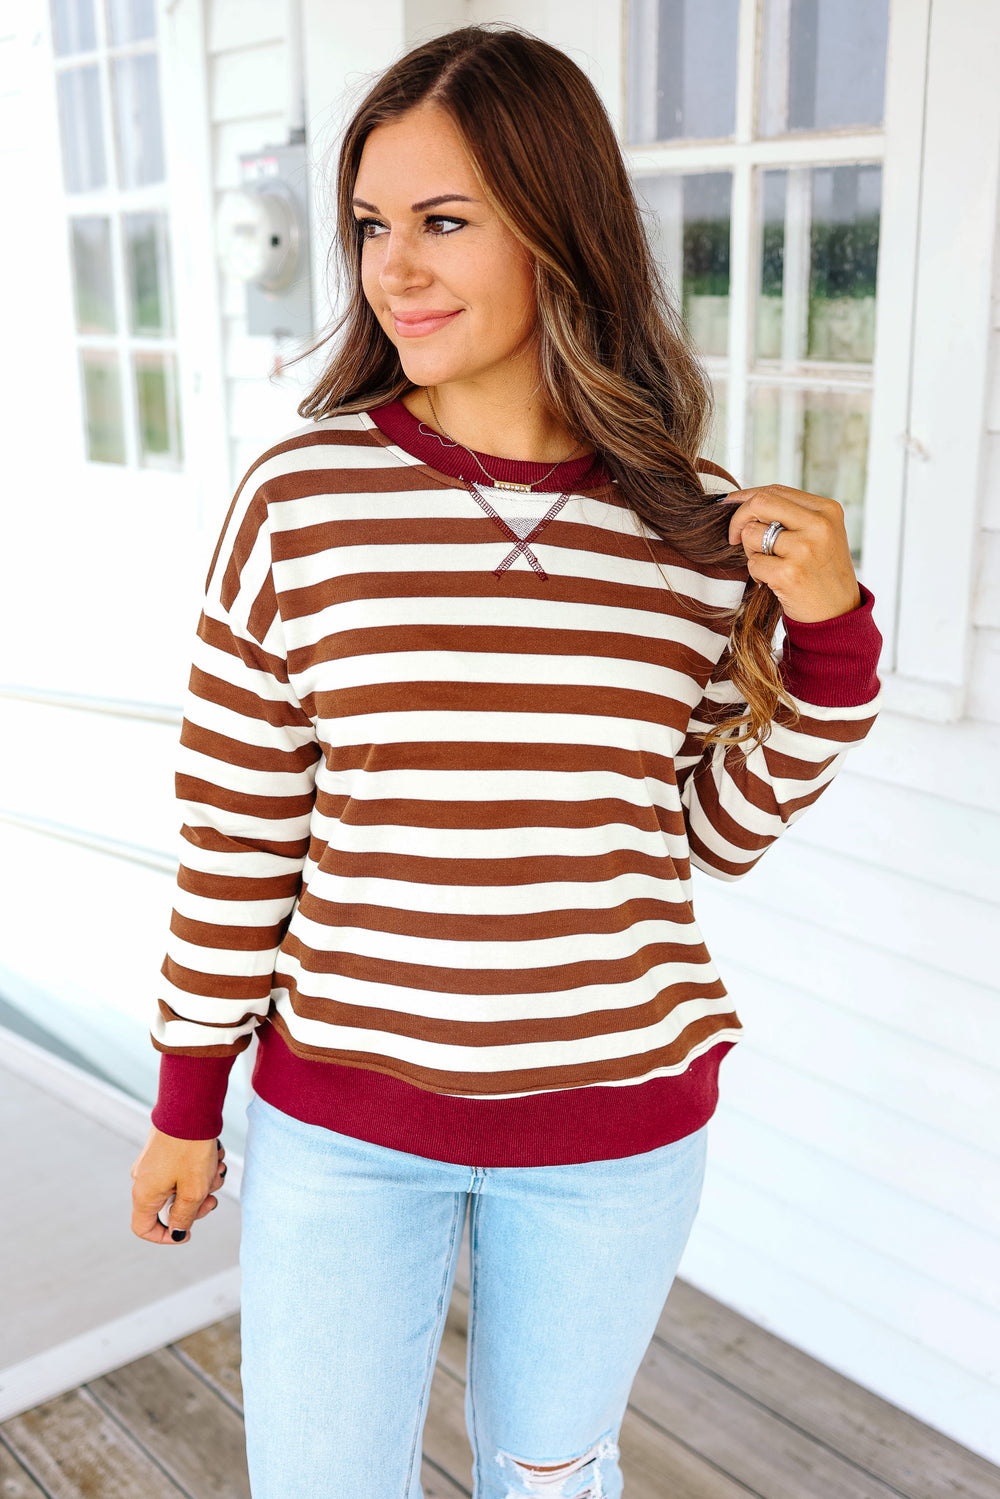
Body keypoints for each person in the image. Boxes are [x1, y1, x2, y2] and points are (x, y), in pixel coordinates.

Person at [130, 24, 882, 1499]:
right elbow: (237, 833)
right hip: (343, 1124)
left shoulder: (689, 525)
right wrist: (185, 1100)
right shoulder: (301, 502)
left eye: (444, 221)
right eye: (372, 227)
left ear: (559, 226)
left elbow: (709, 836)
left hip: (614, 1127)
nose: (392, 270)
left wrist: (831, 647)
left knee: (551, 1480)